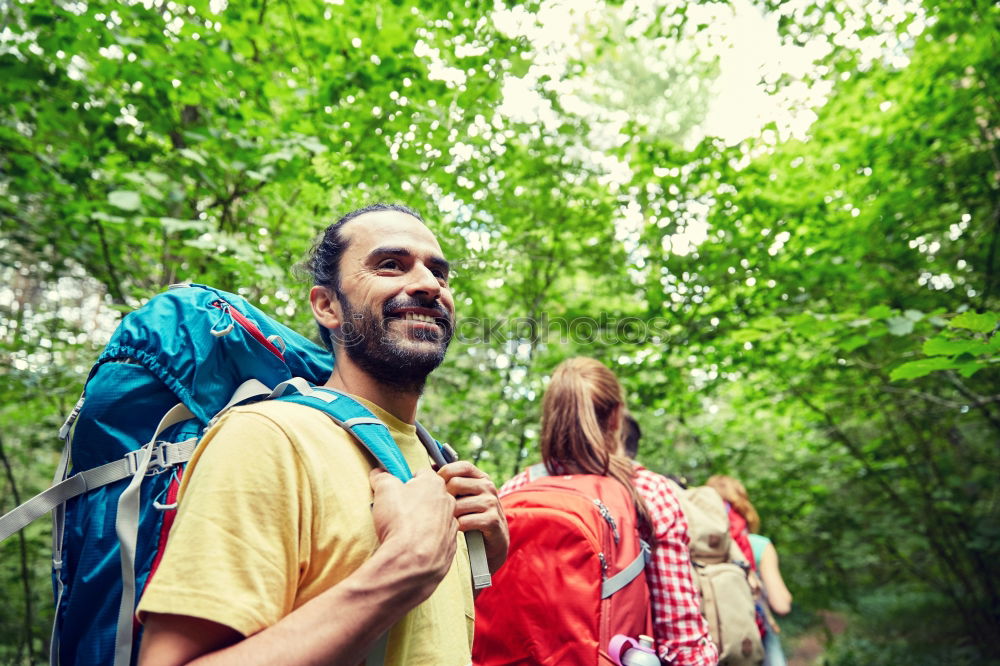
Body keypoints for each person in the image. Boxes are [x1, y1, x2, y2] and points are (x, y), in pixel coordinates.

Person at [136, 203, 509, 665]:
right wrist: (402, 570)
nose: (429, 285)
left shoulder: (438, 466)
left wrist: (480, 561)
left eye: (439, 272)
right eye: (390, 265)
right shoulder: (269, 438)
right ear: (327, 306)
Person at [500, 358, 719, 666]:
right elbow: (682, 641)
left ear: (550, 418)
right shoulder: (648, 492)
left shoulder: (512, 491)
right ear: (616, 417)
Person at [706, 475, 792, 666]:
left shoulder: (700, 546)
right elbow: (781, 605)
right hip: (752, 635)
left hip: (709, 638)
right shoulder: (759, 545)